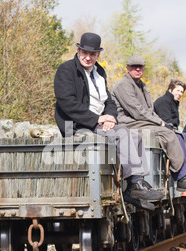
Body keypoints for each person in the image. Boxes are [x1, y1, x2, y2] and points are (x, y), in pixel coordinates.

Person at [54, 33, 164, 210]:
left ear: (98, 55)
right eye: (84, 52)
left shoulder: (99, 72)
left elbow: (109, 102)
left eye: (93, 54)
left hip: (99, 123)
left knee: (135, 137)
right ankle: (135, 183)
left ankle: (133, 188)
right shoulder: (66, 70)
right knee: (122, 134)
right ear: (78, 50)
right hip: (76, 124)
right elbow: (66, 102)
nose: (88, 57)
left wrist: (111, 117)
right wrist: (96, 119)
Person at [112, 55, 186, 195]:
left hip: (141, 122)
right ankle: (181, 177)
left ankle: (184, 177)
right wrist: (161, 123)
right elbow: (137, 111)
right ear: (127, 68)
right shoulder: (123, 85)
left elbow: (149, 111)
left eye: (140, 67)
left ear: (144, 69)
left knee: (177, 135)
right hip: (129, 122)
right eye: (134, 67)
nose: (137, 69)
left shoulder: (142, 86)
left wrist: (163, 123)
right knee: (168, 133)